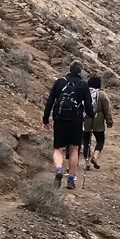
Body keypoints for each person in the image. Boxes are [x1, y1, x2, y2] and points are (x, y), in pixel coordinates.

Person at [42, 60, 92, 189]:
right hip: (76, 121)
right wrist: (90, 116)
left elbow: (50, 100)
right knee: (74, 150)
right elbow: (89, 106)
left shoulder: (60, 82)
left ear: (70, 69)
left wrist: (46, 118)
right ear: (80, 71)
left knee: (58, 149)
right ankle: (70, 180)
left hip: (60, 119)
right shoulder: (83, 84)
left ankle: (59, 169)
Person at [81, 74, 113, 169]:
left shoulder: (84, 93)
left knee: (86, 141)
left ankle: (87, 163)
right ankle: (95, 156)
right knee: (100, 140)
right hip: (98, 119)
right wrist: (109, 121)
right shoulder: (102, 95)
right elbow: (107, 109)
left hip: (85, 119)